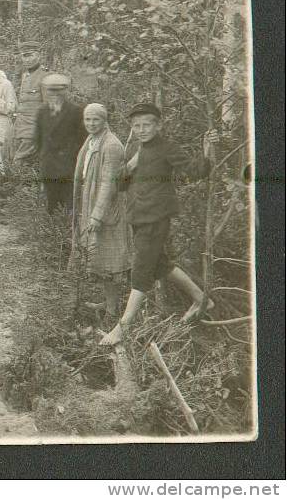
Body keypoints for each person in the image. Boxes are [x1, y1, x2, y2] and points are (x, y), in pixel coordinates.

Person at [100, 103, 219, 346]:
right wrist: (131, 165)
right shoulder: (135, 147)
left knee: (141, 270)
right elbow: (120, 184)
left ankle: (122, 328)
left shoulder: (168, 148)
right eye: (136, 126)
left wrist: (208, 150)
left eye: (146, 125)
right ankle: (201, 298)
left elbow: (195, 171)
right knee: (160, 264)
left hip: (156, 219)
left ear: (159, 125)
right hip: (138, 217)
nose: (141, 130)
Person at [69, 104, 132, 322]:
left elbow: (109, 185)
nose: (91, 124)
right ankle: (107, 302)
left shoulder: (112, 145)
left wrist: (96, 215)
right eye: (87, 119)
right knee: (98, 259)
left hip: (106, 212)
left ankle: (113, 311)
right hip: (91, 202)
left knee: (109, 262)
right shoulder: (92, 140)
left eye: (95, 120)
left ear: (104, 120)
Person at [34, 73, 87, 215]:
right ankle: (52, 235)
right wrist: (43, 159)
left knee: (69, 205)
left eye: (59, 90)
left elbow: (82, 140)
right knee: (51, 205)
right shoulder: (42, 112)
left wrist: (71, 156)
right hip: (49, 166)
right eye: (51, 90)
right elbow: (38, 140)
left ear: (65, 91)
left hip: (68, 167)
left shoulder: (76, 111)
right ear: (46, 91)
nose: (55, 94)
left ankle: (68, 236)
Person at [14, 41, 49, 164]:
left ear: (39, 55)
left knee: (19, 161)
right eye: (24, 56)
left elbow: (48, 107)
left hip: (34, 127)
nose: (27, 59)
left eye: (30, 55)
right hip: (21, 126)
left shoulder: (45, 76)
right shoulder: (25, 75)